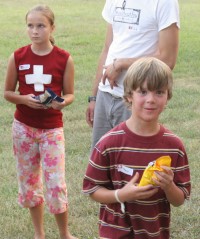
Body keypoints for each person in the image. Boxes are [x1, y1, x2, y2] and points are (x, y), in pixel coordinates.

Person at [83, 57, 191, 239]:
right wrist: (121, 195)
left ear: (168, 97)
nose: (151, 99)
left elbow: (179, 199)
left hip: (154, 232)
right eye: (142, 92)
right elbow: (92, 189)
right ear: (128, 95)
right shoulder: (109, 143)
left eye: (159, 92)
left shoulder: (174, 146)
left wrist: (169, 185)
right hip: (114, 233)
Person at [4, 5, 77, 239]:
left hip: (51, 130)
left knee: (56, 183)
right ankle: (39, 234)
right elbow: (7, 93)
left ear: (52, 27)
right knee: (30, 182)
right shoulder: (18, 56)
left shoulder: (64, 58)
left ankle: (64, 234)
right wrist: (24, 99)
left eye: (41, 26)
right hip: (23, 128)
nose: (34, 31)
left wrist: (62, 102)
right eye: (30, 25)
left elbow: (70, 93)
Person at [86, 0, 180, 148]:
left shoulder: (164, 2)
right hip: (105, 95)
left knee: (133, 160)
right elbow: (107, 48)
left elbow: (167, 59)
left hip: (137, 98)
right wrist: (94, 97)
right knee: (100, 160)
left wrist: (122, 64)